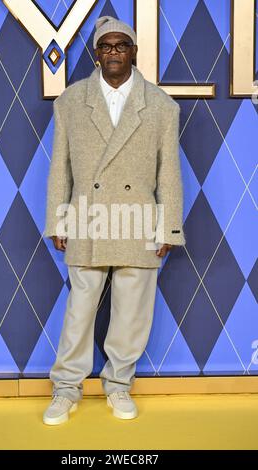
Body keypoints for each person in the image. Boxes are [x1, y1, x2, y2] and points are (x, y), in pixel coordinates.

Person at [43, 15, 186, 425]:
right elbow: (60, 168)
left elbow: (169, 174)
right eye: (106, 47)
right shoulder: (70, 101)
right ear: (96, 53)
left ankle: (119, 384)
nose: (113, 54)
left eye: (121, 46)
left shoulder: (160, 106)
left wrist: (169, 226)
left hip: (138, 220)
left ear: (134, 52)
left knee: (132, 312)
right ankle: (66, 388)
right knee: (79, 310)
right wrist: (59, 220)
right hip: (89, 219)